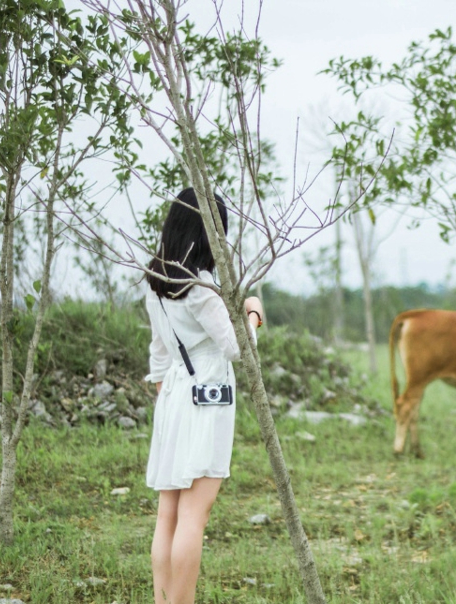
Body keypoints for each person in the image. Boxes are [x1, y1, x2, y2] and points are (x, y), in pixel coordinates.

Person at [143, 187, 263, 604]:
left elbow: (158, 354)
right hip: (207, 394)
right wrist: (253, 312)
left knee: (168, 514)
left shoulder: (155, 279)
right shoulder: (200, 285)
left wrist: (168, 402)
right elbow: (236, 348)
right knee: (195, 514)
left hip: (173, 394)